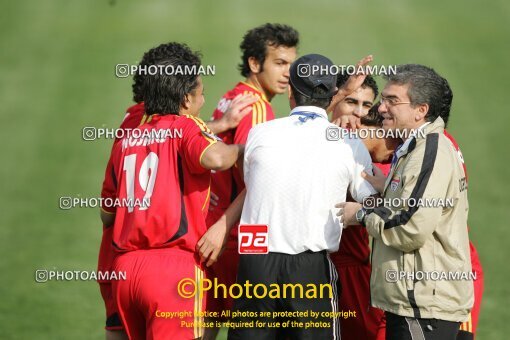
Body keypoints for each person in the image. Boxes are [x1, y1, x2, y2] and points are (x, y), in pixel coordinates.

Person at [97, 42, 255, 340]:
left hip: (126, 271)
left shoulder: (126, 140)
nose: (202, 100)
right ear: (185, 99)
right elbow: (216, 158)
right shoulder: (185, 127)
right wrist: (248, 147)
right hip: (172, 271)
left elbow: (107, 215)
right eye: (201, 93)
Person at [227, 53, 377, 340]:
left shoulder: (260, 133)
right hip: (310, 268)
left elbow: (255, 183)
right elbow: (371, 201)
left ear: (290, 91)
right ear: (333, 93)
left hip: (255, 264)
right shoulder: (348, 142)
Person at [338, 64, 473, 339]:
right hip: (416, 301)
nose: (380, 108)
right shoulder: (416, 147)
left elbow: (409, 227)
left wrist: (362, 214)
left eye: (392, 100)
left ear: (420, 110)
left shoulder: (428, 151)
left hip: (423, 306)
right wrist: (387, 186)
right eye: (384, 98)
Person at [199, 23, 299, 339]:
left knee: (204, 327)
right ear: (255, 64)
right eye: (279, 63)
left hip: (214, 229)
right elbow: (258, 182)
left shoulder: (233, 96)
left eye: (291, 65)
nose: (288, 73)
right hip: (234, 239)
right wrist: (225, 228)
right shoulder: (256, 108)